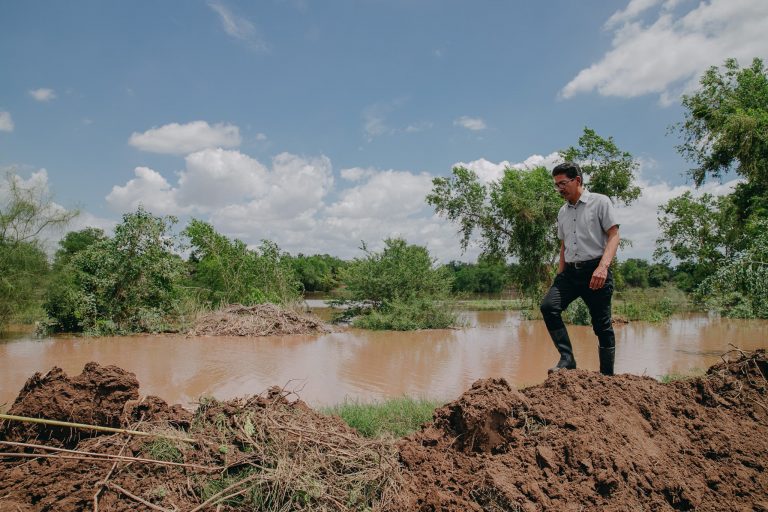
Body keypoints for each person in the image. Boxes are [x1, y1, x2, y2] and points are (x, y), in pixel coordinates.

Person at [540, 162, 620, 376]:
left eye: (563, 183)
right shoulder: (562, 212)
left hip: (595, 270)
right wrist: (559, 275)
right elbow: (564, 244)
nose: (559, 189)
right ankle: (567, 359)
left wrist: (603, 268)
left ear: (577, 180)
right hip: (570, 273)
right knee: (549, 306)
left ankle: (607, 376)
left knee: (601, 325)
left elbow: (614, 235)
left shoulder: (600, 202)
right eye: (556, 185)